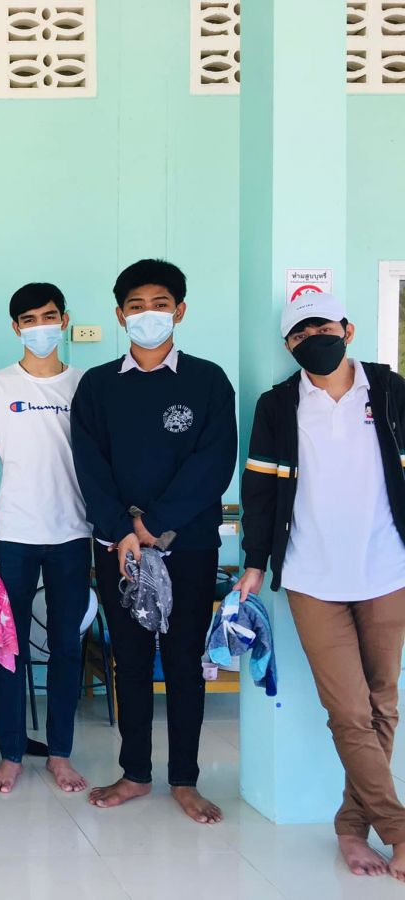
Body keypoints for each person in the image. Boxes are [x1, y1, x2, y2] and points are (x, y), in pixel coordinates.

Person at [236, 292, 405, 880]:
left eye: (323, 328)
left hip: (387, 571)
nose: (314, 340)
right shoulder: (278, 404)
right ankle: (399, 830)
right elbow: (259, 490)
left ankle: (352, 827)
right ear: (289, 346)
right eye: (300, 335)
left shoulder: (389, 390)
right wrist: (254, 563)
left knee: (382, 703)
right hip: (311, 576)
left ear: (348, 330)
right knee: (349, 710)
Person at [70, 259, 236, 825]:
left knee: (184, 660)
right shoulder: (97, 386)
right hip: (119, 549)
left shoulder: (208, 380)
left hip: (188, 545)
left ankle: (185, 780)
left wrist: (154, 524)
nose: (148, 315)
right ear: (120, 316)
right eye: (136, 306)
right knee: (132, 660)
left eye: (160, 305)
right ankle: (135, 773)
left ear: (179, 312)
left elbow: (214, 464)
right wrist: (122, 530)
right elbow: (89, 466)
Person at [0, 284, 92, 795]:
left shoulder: (85, 386)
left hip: (73, 535)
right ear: (16, 327)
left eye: (49, 316)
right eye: (30, 319)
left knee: (66, 646)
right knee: (7, 649)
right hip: (13, 538)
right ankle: (12, 755)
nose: (41, 327)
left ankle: (60, 754)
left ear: (65, 320)